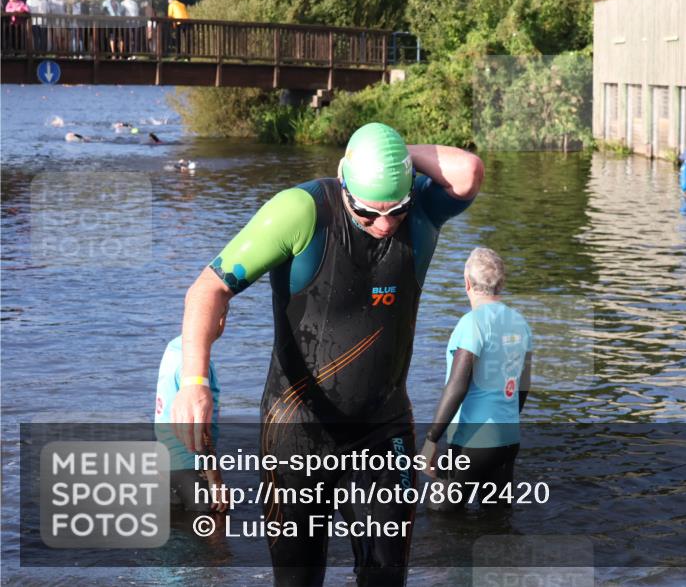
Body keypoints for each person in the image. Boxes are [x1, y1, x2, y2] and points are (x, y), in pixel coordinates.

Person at [172, 122, 483, 586]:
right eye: (366, 211)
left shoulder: (420, 210)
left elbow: (468, 171)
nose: (383, 224)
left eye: (394, 210)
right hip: (296, 433)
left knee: (385, 578)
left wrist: (394, 154)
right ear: (344, 181)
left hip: (383, 428)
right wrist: (194, 383)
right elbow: (208, 289)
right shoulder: (299, 211)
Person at [420, 247, 532, 507]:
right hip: (508, 439)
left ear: (467, 282)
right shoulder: (520, 322)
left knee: (441, 518)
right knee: (496, 520)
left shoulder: (472, 324)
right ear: (501, 284)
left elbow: (457, 387)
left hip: (472, 441)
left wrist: (431, 440)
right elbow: (523, 386)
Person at [154, 308, 228, 513]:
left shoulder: (173, 349)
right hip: (191, 468)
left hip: (165, 466)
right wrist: (216, 479)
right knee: (214, 535)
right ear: (220, 320)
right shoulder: (196, 366)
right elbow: (200, 427)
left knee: (178, 538)